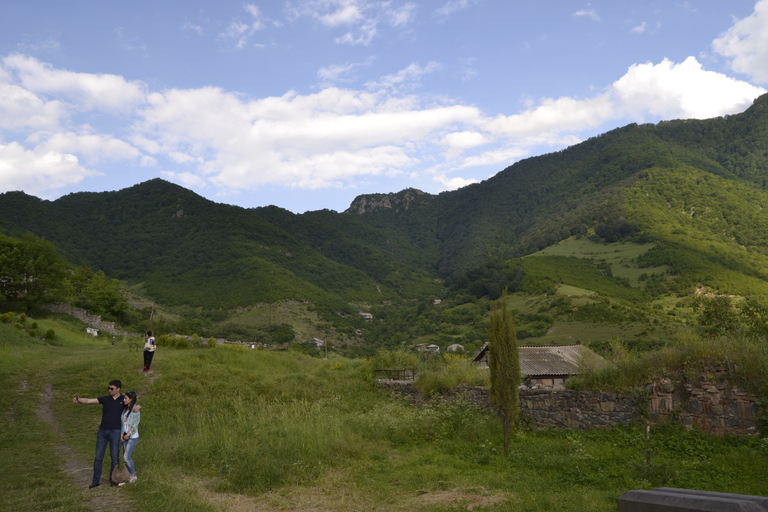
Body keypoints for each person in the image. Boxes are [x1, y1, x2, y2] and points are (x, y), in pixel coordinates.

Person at [73, 380, 125, 488]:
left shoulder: (123, 400)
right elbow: (88, 401)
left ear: (118, 389)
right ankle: (96, 480)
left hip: (116, 431)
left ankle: (113, 480)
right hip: (103, 431)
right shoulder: (105, 399)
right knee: (98, 457)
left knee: (115, 457)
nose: (109, 390)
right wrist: (79, 399)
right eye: (109, 388)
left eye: (112, 388)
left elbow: (132, 406)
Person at [120, 391, 141, 485]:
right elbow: (123, 423)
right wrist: (121, 434)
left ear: (131, 399)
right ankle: (129, 476)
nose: (124, 400)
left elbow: (135, 424)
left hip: (132, 436)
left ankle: (133, 475)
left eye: (126, 398)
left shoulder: (135, 410)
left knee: (126, 457)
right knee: (125, 457)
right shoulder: (124, 410)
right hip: (124, 435)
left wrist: (129, 434)